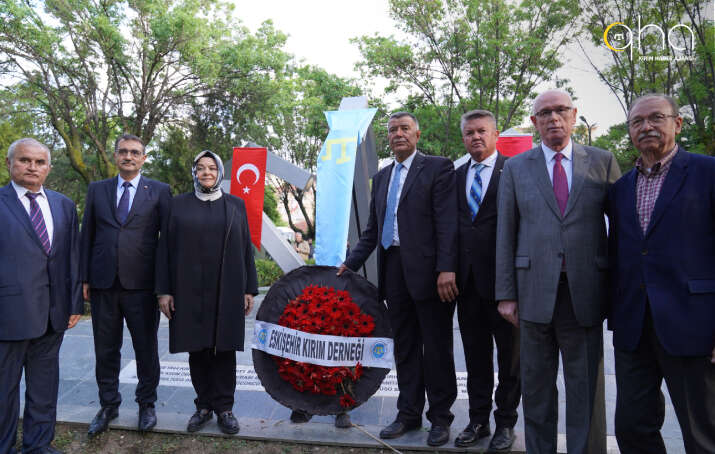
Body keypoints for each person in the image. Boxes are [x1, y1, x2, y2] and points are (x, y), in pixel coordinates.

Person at [495, 90, 621, 454]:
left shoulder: (601, 161)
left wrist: (619, 289)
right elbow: (506, 232)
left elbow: (622, 229)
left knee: (586, 390)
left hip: (585, 292)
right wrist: (506, 294)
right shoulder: (516, 167)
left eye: (561, 110)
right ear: (533, 122)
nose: (553, 118)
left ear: (574, 114)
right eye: (545, 112)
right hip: (532, 293)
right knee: (537, 390)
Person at [338, 112, 459, 447]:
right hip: (394, 273)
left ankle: (440, 418)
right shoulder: (381, 178)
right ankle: (408, 414)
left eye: (405, 128)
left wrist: (447, 268)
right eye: (392, 130)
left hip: (432, 276)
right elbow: (372, 232)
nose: (398, 134)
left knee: (436, 349)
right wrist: (349, 265)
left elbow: (447, 222)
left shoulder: (438, 168)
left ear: (417, 134)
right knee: (405, 348)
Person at [608, 93, 715, 454]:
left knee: (703, 432)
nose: (646, 127)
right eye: (637, 122)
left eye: (656, 118)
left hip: (694, 324)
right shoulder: (621, 189)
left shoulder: (707, 173)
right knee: (632, 427)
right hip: (634, 327)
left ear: (677, 123)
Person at [156, 150, 258, 435]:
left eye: (212, 168)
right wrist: (164, 291)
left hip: (226, 289)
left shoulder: (235, 205)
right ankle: (203, 406)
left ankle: (225, 408)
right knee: (197, 347)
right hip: (188, 289)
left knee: (224, 348)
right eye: (201, 168)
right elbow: (164, 249)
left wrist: (249, 288)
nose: (206, 173)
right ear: (195, 173)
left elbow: (245, 247)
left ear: (220, 172)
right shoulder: (177, 205)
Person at [80, 134, 171, 436]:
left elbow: (167, 243)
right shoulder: (97, 190)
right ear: (115, 156)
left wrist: (164, 286)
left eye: (134, 152)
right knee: (106, 349)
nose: (128, 157)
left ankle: (146, 404)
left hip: (142, 286)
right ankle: (108, 404)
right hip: (103, 283)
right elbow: (87, 235)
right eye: (123, 152)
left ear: (143, 158)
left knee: (146, 348)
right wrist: (84, 278)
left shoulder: (159, 191)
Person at [0, 138, 83, 454]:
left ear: (48, 167)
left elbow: (71, 257)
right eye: (25, 160)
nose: (32, 167)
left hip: (52, 315)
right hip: (8, 315)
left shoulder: (63, 205)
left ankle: (38, 445)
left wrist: (74, 303)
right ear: (9, 163)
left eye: (39, 162)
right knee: (3, 390)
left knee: (44, 388)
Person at [454, 110, 520, 451]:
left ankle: (505, 423)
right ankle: (478, 421)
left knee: (511, 361)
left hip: (506, 286)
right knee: (476, 359)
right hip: (467, 287)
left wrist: (516, 285)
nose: (475, 137)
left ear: (495, 135)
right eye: (469, 133)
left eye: (482, 131)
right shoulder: (455, 176)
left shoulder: (515, 171)